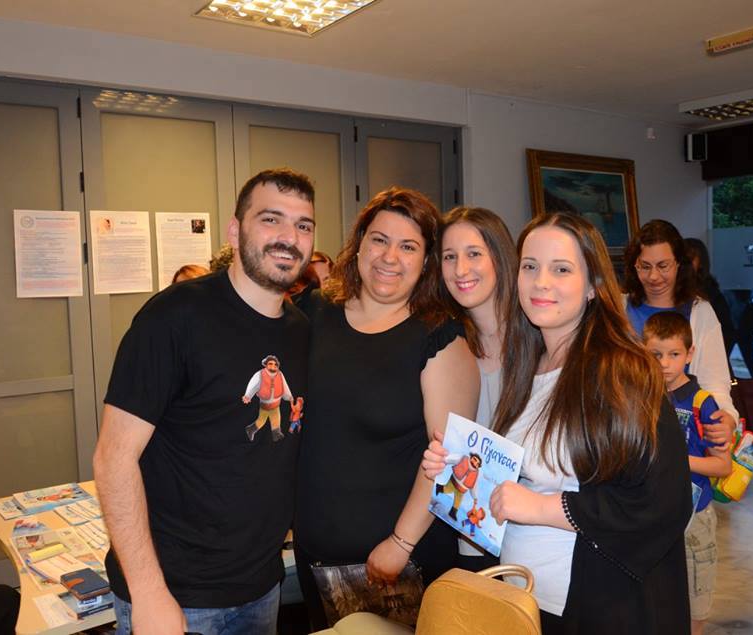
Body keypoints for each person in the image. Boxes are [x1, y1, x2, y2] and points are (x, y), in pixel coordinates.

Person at [425, 212, 693, 633]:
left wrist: (542, 508)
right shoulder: (529, 365)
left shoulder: (620, 372)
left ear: (593, 285)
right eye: (530, 267)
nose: (541, 282)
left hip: (595, 606)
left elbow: (662, 501)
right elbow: (528, 480)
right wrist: (458, 470)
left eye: (561, 269)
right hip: (526, 603)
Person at [92, 167, 316, 635]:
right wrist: (149, 593)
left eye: (303, 225)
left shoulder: (300, 331)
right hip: (177, 597)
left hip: (262, 588)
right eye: (271, 219)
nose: (289, 237)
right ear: (235, 231)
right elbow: (113, 459)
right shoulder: (174, 316)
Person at [293, 187, 479, 630]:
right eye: (379, 240)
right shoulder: (316, 312)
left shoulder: (440, 337)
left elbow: (449, 461)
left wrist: (401, 542)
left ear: (426, 261)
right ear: (359, 243)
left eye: (408, 246)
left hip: (397, 562)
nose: (389, 257)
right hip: (316, 554)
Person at [439, 205, 518, 570]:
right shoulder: (444, 346)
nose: (460, 270)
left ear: (500, 258)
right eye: (449, 257)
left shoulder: (538, 341)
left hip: (534, 535)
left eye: (473, 254)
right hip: (467, 533)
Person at [643, 311, 732, 635]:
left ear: (690, 354)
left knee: (696, 596)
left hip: (695, 517)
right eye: (656, 354)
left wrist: (675, 460)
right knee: (660, 595)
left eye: (674, 354)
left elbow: (723, 465)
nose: (664, 364)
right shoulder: (643, 395)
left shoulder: (702, 403)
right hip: (655, 513)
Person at [624, 220, 738, 441]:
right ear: (634, 266)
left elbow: (715, 383)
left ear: (678, 264)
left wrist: (727, 417)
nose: (654, 276)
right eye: (645, 266)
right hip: (629, 432)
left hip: (680, 436)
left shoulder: (700, 312)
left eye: (663, 266)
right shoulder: (618, 308)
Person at [685, 237, 736, 357]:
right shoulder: (676, 289)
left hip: (706, 358)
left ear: (700, 262)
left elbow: (727, 334)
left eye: (689, 259)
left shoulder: (710, 293)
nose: (685, 264)